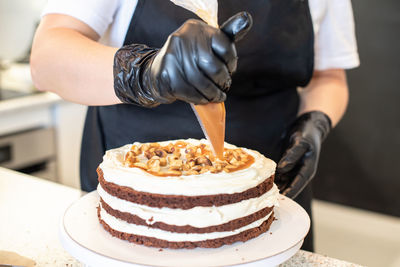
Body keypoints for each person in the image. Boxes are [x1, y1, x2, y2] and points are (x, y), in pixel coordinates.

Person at [30, 0, 359, 251]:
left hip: (269, 190)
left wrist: (316, 122)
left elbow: (329, 77)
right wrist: (145, 73)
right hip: (137, 196)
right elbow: (48, 56)